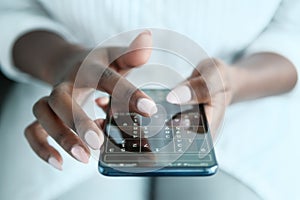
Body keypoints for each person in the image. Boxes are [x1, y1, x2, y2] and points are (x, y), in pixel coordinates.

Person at [0, 0, 300, 199]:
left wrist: (236, 81)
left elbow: (291, 31)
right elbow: (12, 10)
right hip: (72, 104)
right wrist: (61, 62)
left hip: (249, 109)